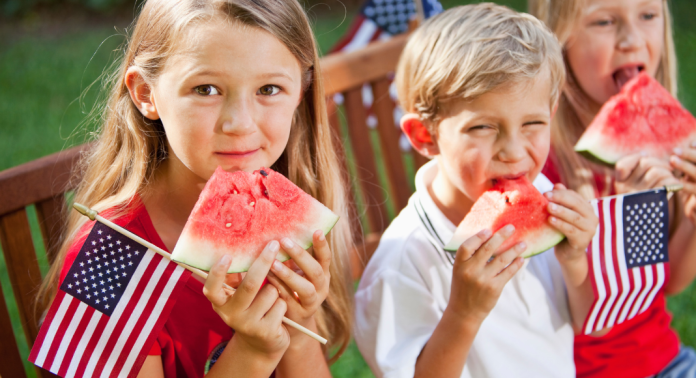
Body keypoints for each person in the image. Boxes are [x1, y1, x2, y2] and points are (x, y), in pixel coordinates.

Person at [36, 0, 355, 377]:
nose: (239, 123)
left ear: (301, 91)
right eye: (206, 89)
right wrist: (253, 352)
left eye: (268, 88)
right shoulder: (109, 259)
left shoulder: (282, 233)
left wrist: (300, 333)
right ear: (145, 94)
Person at [353, 4, 599, 377]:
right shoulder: (402, 263)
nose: (514, 152)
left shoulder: (544, 195)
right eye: (483, 127)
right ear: (425, 136)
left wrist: (575, 259)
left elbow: (585, 321)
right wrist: (464, 314)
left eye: (532, 123)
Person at [529, 0, 696, 376]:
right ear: (559, 39)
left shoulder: (661, 140)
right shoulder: (543, 169)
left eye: (649, 15)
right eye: (605, 21)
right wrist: (632, 214)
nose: (632, 39)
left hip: (667, 358)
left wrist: (691, 220)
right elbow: (592, 317)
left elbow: (665, 285)